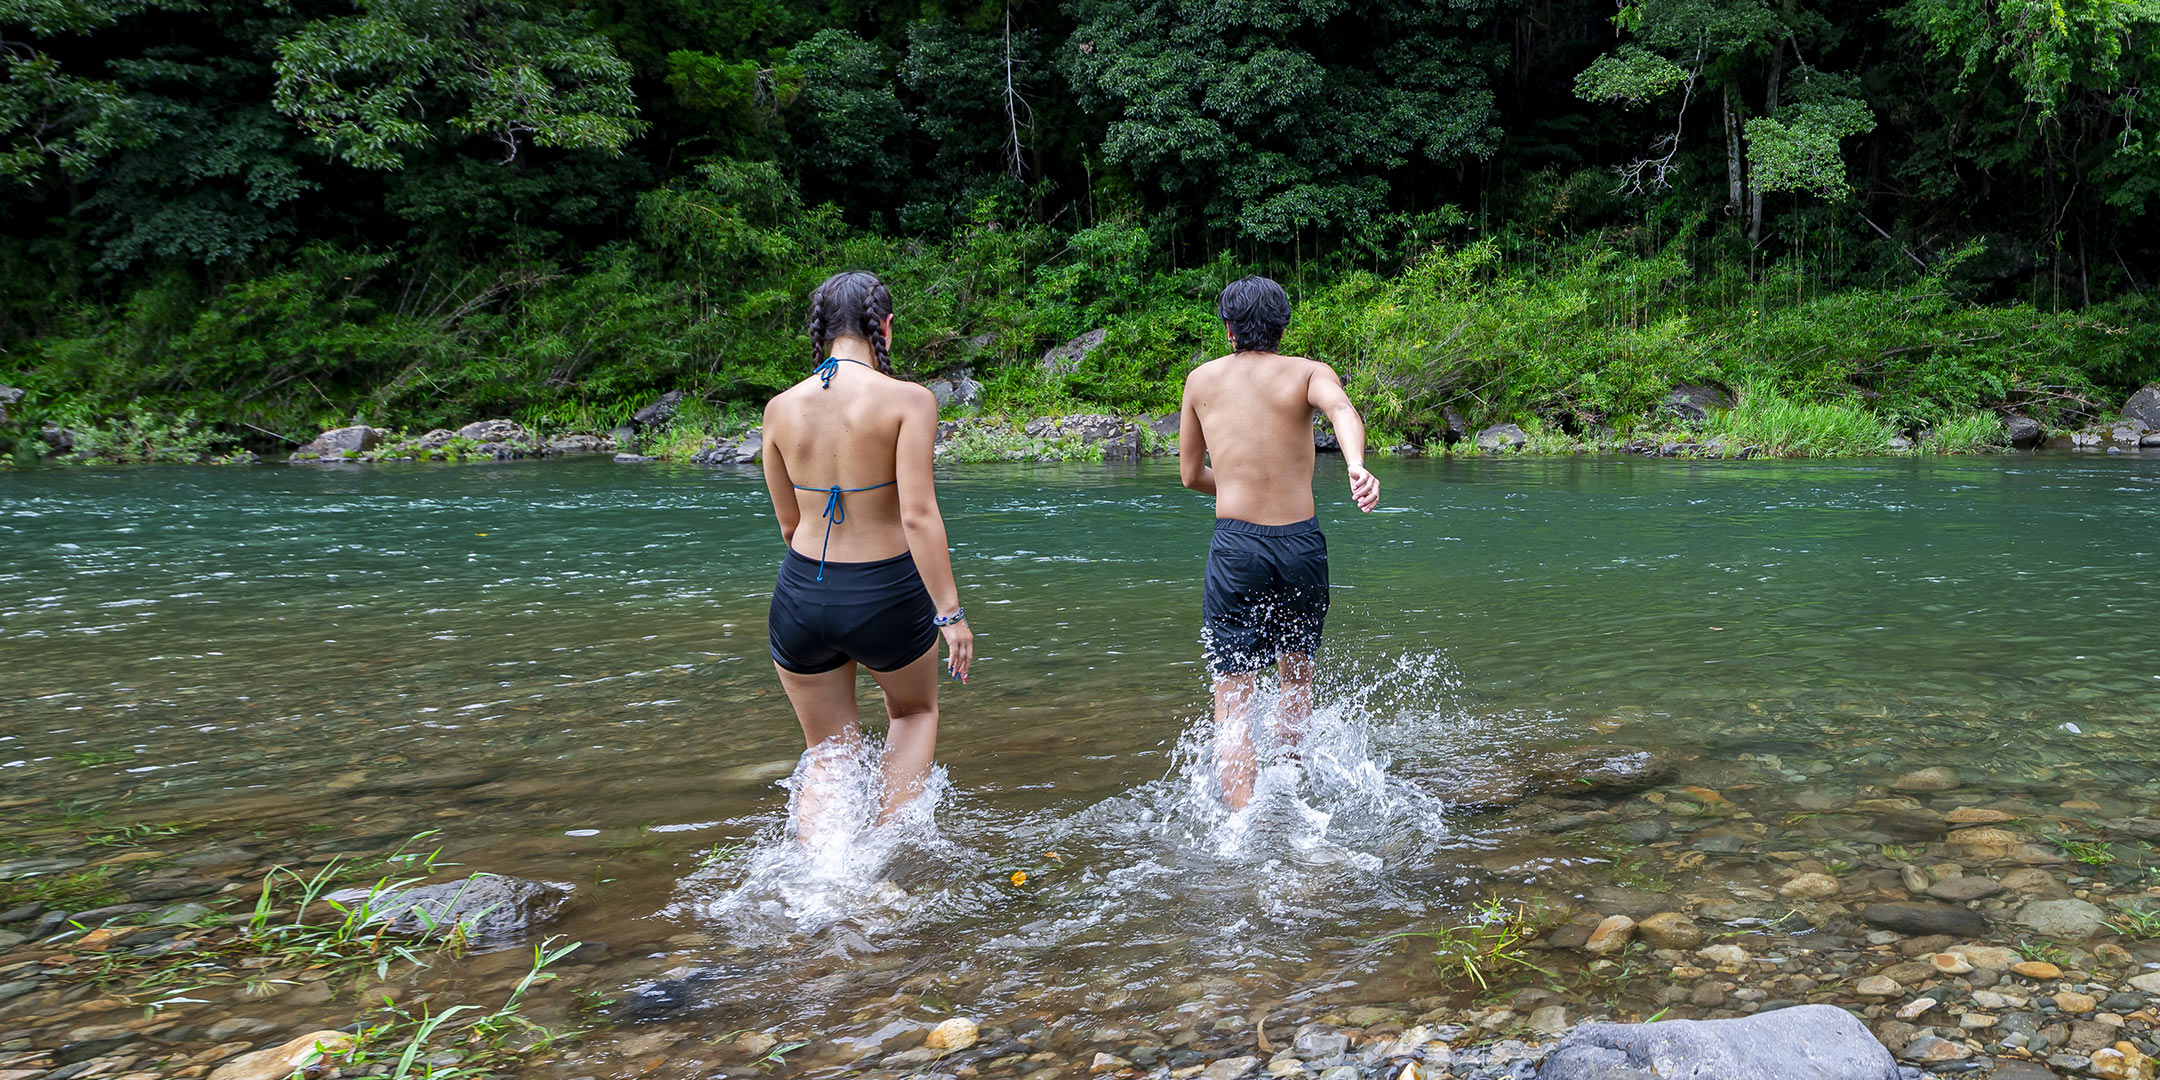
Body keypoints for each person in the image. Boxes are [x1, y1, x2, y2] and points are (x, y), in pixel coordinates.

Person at [761, 270, 973, 838]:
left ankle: (817, 879)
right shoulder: (909, 400)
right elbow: (918, 515)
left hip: (801, 593)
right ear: (886, 326)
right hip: (884, 593)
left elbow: (789, 522)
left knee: (828, 750)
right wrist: (950, 616)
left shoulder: (779, 409)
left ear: (821, 330)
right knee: (914, 713)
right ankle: (880, 861)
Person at [1177, 275, 1379, 810]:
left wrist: (1242, 483)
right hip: (1299, 545)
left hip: (1236, 546)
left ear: (1229, 330)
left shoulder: (1200, 380)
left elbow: (1191, 475)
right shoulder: (1308, 373)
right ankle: (1289, 794)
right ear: (1283, 326)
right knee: (1296, 674)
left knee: (1233, 697)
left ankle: (1242, 822)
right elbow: (1341, 410)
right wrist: (1356, 465)